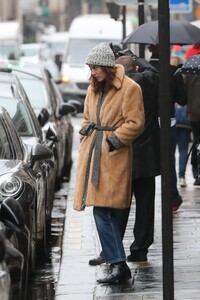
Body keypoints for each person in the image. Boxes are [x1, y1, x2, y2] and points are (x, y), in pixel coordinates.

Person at [73, 43, 145, 284]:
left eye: (95, 68)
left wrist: (113, 141)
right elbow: (86, 117)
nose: (92, 72)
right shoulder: (93, 88)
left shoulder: (129, 88)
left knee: (104, 210)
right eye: (90, 68)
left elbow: (135, 122)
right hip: (93, 154)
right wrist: (86, 130)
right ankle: (117, 263)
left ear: (107, 67)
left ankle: (118, 263)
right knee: (103, 210)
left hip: (113, 157)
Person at [88, 53, 160, 265]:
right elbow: (154, 72)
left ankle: (112, 249)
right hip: (146, 155)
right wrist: (139, 59)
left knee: (117, 205)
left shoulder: (120, 88)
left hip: (122, 153)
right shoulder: (148, 80)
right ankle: (140, 249)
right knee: (145, 205)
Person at [148, 44, 187, 211]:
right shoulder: (172, 72)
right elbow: (183, 100)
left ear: (150, 49)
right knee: (168, 161)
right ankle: (172, 198)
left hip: (147, 122)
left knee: (147, 161)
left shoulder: (144, 71)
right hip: (167, 122)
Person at [174, 103, 191, 187]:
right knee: (183, 151)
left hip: (172, 121)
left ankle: (171, 178)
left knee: (169, 153)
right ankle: (181, 177)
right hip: (185, 122)